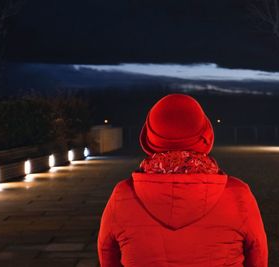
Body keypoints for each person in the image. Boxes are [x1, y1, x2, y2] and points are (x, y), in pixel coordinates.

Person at [97, 94, 268, 267]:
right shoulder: (239, 195)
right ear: (205, 136)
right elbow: (258, 255)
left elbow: (106, 252)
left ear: (149, 139)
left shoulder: (122, 196)